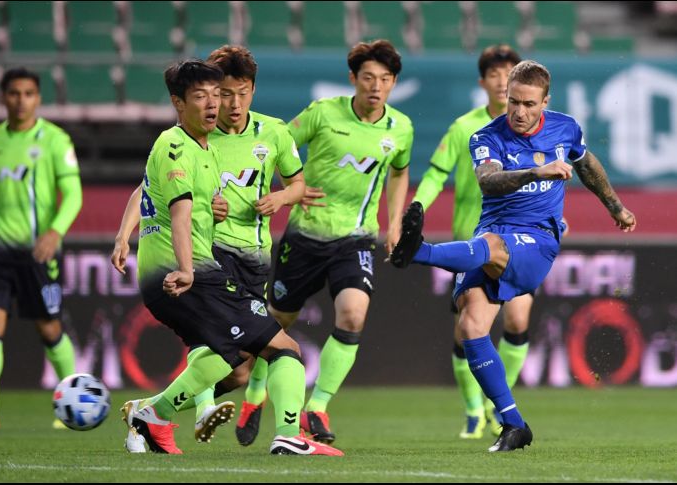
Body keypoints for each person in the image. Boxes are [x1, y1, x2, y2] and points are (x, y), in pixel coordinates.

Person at [390, 60, 637, 452]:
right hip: (491, 231)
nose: (519, 112)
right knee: (472, 326)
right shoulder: (485, 137)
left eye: (529, 104)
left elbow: (586, 163)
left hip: (538, 239)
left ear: (545, 102)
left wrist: (615, 207)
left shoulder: (565, 127)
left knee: (492, 251)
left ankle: (418, 251)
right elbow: (489, 181)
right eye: (513, 102)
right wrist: (536, 173)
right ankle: (513, 423)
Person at [115, 59, 341, 456]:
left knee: (232, 360)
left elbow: (167, 195)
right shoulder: (179, 143)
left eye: (218, 95)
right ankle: (287, 432)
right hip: (196, 266)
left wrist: (213, 205)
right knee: (283, 348)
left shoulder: (207, 146)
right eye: (207, 96)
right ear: (179, 102)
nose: (219, 104)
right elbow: (178, 209)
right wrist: (184, 266)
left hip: (217, 265)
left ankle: (154, 414)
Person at [266, 39, 413, 445]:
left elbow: (399, 173)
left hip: (356, 239)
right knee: (277, 322)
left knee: (353, 314)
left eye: (384, 79)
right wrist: (291, 186)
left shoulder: (400, 127)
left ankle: (317, 406)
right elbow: (278, 145)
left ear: (393, 83)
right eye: (368, 77)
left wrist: (394, 222)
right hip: (305, 236)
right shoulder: (323, 113)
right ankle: (254, 394)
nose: (376, 86)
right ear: (353, 79)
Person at [412, 45, 534, 439]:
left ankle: (495, 402)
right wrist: (416, 208)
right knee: (468, 329)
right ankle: (472, 411)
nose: (502, 82)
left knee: (517, 321)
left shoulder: (537, 131)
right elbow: (434, 174)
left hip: (516, 243)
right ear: (483, 82)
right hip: (471, 244)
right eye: (495, 75)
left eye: (509, 74)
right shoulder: (466, 128)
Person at [0, 67, 83, 431]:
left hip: (37, 251)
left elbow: (74, 194)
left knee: (49, 327)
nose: (21, 100)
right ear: (3, 97)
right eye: (14, 93)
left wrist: (55, 232)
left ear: (38, 98)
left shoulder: (55, 140)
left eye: (28, 93)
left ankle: (72, 407)